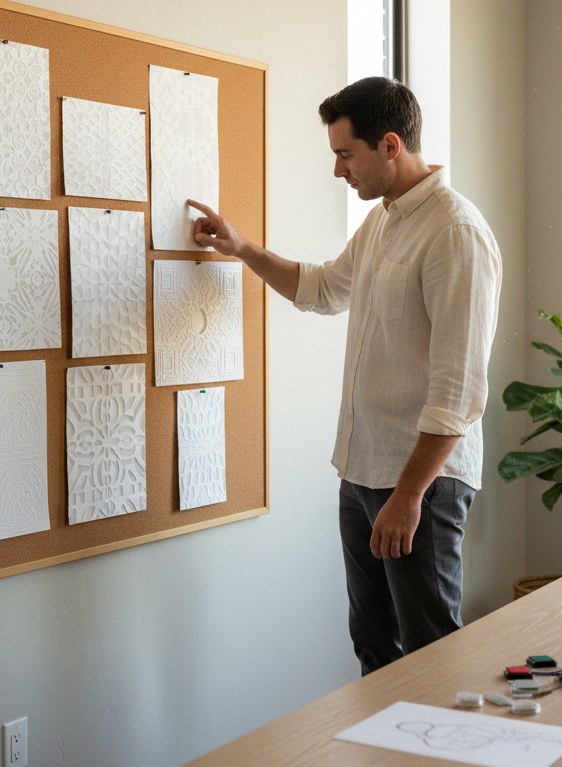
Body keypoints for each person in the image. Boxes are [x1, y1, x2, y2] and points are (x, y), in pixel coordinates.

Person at [188, 76, 502, 675]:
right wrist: (242, 248)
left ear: (390, 145)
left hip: (419, 485)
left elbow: (458, 392)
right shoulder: (385, 221)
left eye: (345, 154)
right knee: (374, 646)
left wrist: (409, 495)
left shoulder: (454, 232)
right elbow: (324, 288)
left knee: (430, 654)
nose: (338, 171)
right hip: (361, 475)